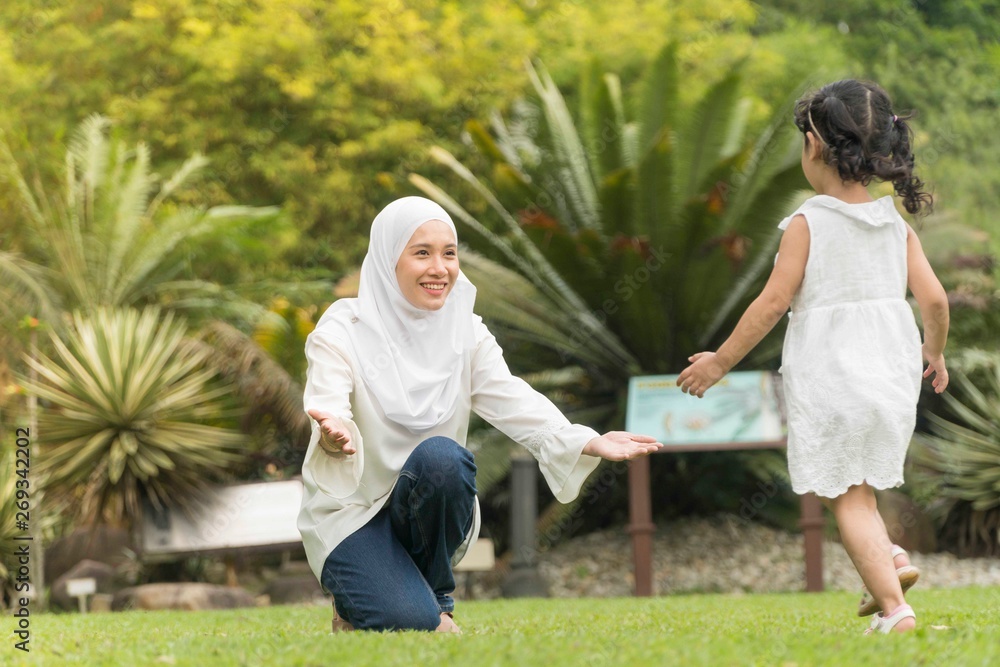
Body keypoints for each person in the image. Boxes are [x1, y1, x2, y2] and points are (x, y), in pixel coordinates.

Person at [298, 196, 662, 633]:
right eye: (421, 253)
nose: (440, 268)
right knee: (409, 624)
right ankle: (373, 602)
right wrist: (334, 429)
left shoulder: (465, 329)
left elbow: (511, 397)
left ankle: (434, 599)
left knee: (443, 458)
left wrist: (585, 439)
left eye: (449, 253)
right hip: (351, 514)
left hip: (424, 504)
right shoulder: (344, 329)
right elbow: (329, 397)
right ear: (386, 259)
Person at [676, 79, 949, 635]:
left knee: (845, 496)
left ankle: (895, 610)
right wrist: (935, 352)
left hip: (832, 378)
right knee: (847, 487)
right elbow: (936, 301)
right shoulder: (894, 225)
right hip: (892, 379)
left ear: (814, 146)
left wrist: (720, 362)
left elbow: (772, 302)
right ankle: (888, 557)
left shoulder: (808, 223)